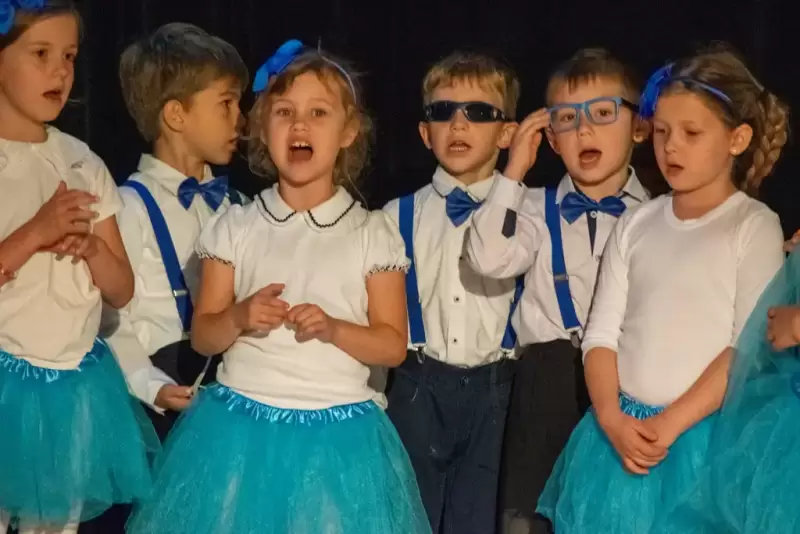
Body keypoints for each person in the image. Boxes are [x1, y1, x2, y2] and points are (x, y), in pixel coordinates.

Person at [125, 39, 430, 534]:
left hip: (338, 435)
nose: (300, 125)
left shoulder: (372, 233)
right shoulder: (235, 225)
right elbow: (204, 336)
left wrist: (334, 328)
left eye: (318, 113)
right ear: (262, 128)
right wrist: (239, 316)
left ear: (349, 131)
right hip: (239, 429)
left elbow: (392, 345)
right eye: (284, 112)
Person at [536, 44, 789, 534]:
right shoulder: (636, 223)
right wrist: (611, 417)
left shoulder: (752, 225)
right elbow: (600, 335)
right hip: (619, 438)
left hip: (701, 443)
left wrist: (668, 426)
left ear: (737, 139)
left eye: (691, 133)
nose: (671, 147)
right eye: (662, 132)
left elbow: (745, 347)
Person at [465, 48, 650, 534]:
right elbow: (486, 258)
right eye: (567, 119)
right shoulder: (530, 206)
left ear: (639, 127)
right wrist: (513, 172)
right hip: (545, 384)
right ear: (550, 138)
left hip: (627, 381)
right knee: (530, 517)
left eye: (602, 113)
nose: (584, 130)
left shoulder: (657, 215)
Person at [0, 2, 156, 533]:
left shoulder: (83, 162)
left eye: (68, 56)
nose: (60, 71)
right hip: (6, 379)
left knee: (55, 521)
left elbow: (122, 290)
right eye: (40, 54)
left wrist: (91, 249)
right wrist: (35, 232)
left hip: (71, 384)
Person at [382, 51, 521, 534]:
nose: (458, 124)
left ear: (507, 133)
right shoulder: (393, 217)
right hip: (416, 387)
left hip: (497, 394)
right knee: (407, 518)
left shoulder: (528, 214)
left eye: (478, 112)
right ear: (425, 133)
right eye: (443, 112)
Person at [102, 22, 249, 440]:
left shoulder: (240, 206)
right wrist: (150, 384)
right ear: (176, 114)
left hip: (234, 393)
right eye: (226, 103)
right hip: (163, 402)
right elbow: (110, 320)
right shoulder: (126, 207)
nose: (240, 119)